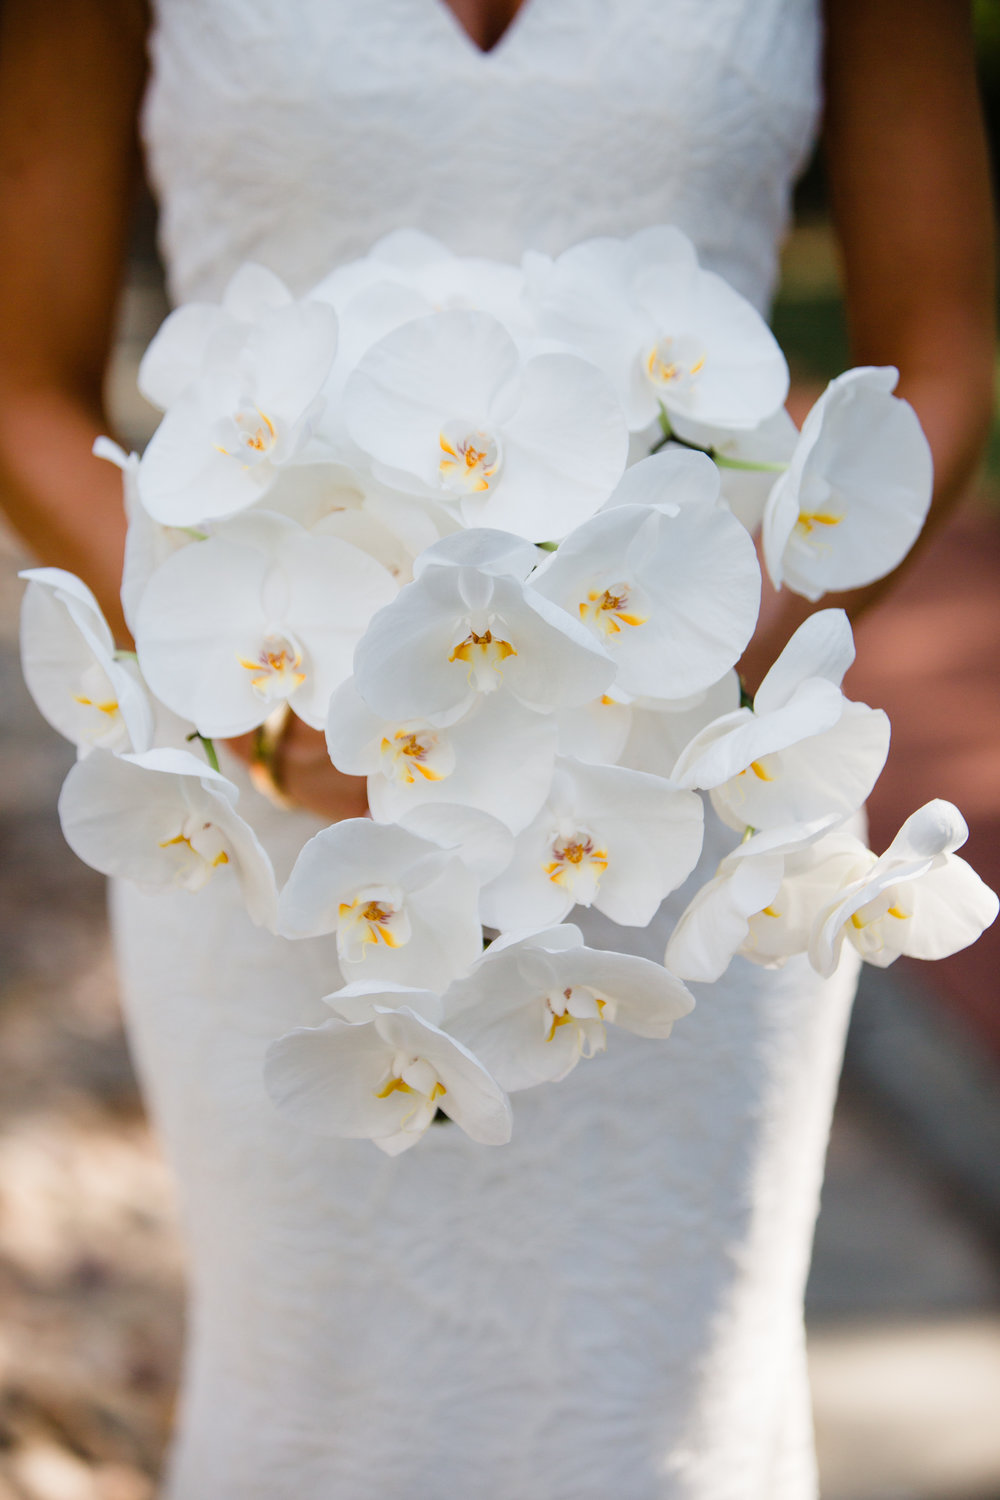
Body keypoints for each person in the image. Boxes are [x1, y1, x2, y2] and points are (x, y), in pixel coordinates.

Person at [0, 2, 993, 1496]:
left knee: (664, 1416)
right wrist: (251, 704)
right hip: (300, 839)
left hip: (671, 812)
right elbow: (20, 376)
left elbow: (939, 354)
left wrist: (729, 640)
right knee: (319, 1402)